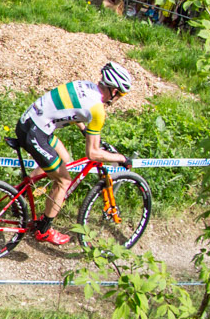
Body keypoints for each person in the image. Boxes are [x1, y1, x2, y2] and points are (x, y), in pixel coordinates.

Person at [13, 61, 134, 246]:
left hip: (30, 123)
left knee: (64, 158)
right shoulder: (98, 110)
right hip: (37, 132)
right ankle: (43, 231)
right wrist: (121, 158)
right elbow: (93, 153)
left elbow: (73, 111)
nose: (119, 99)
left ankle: (18, 192)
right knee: (64, 181)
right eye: (121, 95)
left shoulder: (83, 85)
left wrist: (84, 129)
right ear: (114, 91)